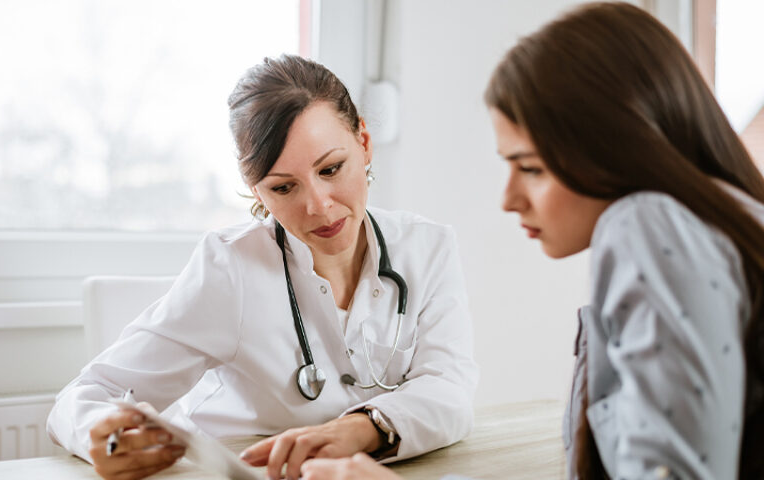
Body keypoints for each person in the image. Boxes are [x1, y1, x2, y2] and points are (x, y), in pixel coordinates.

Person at [300, 2, 764, 479]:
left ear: (620, 147)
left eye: (531, 168)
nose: (509, 198)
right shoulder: (725, 221)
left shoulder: (646, 224)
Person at [46, 54, 478, 480]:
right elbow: (83, 396)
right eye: (283, 187)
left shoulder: (429, 247)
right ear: (256, 189)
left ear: (363, 143)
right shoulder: (230, 267)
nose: (318, 207)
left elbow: (450, 388)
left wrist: (363, 427)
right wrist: (97, 437)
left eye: (331, 168)